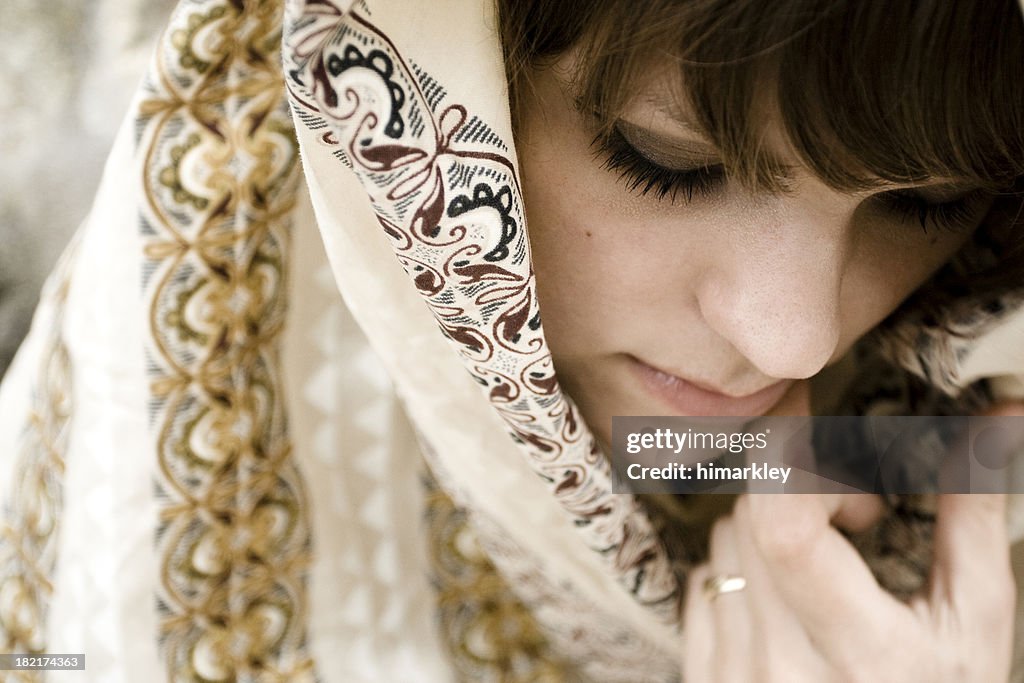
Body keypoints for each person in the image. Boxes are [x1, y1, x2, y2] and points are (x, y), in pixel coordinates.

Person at [0, 0, 1022, 681]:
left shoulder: (982, 444)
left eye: (929, 202)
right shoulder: (186, 392)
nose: (796, 338)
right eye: (665, 159)